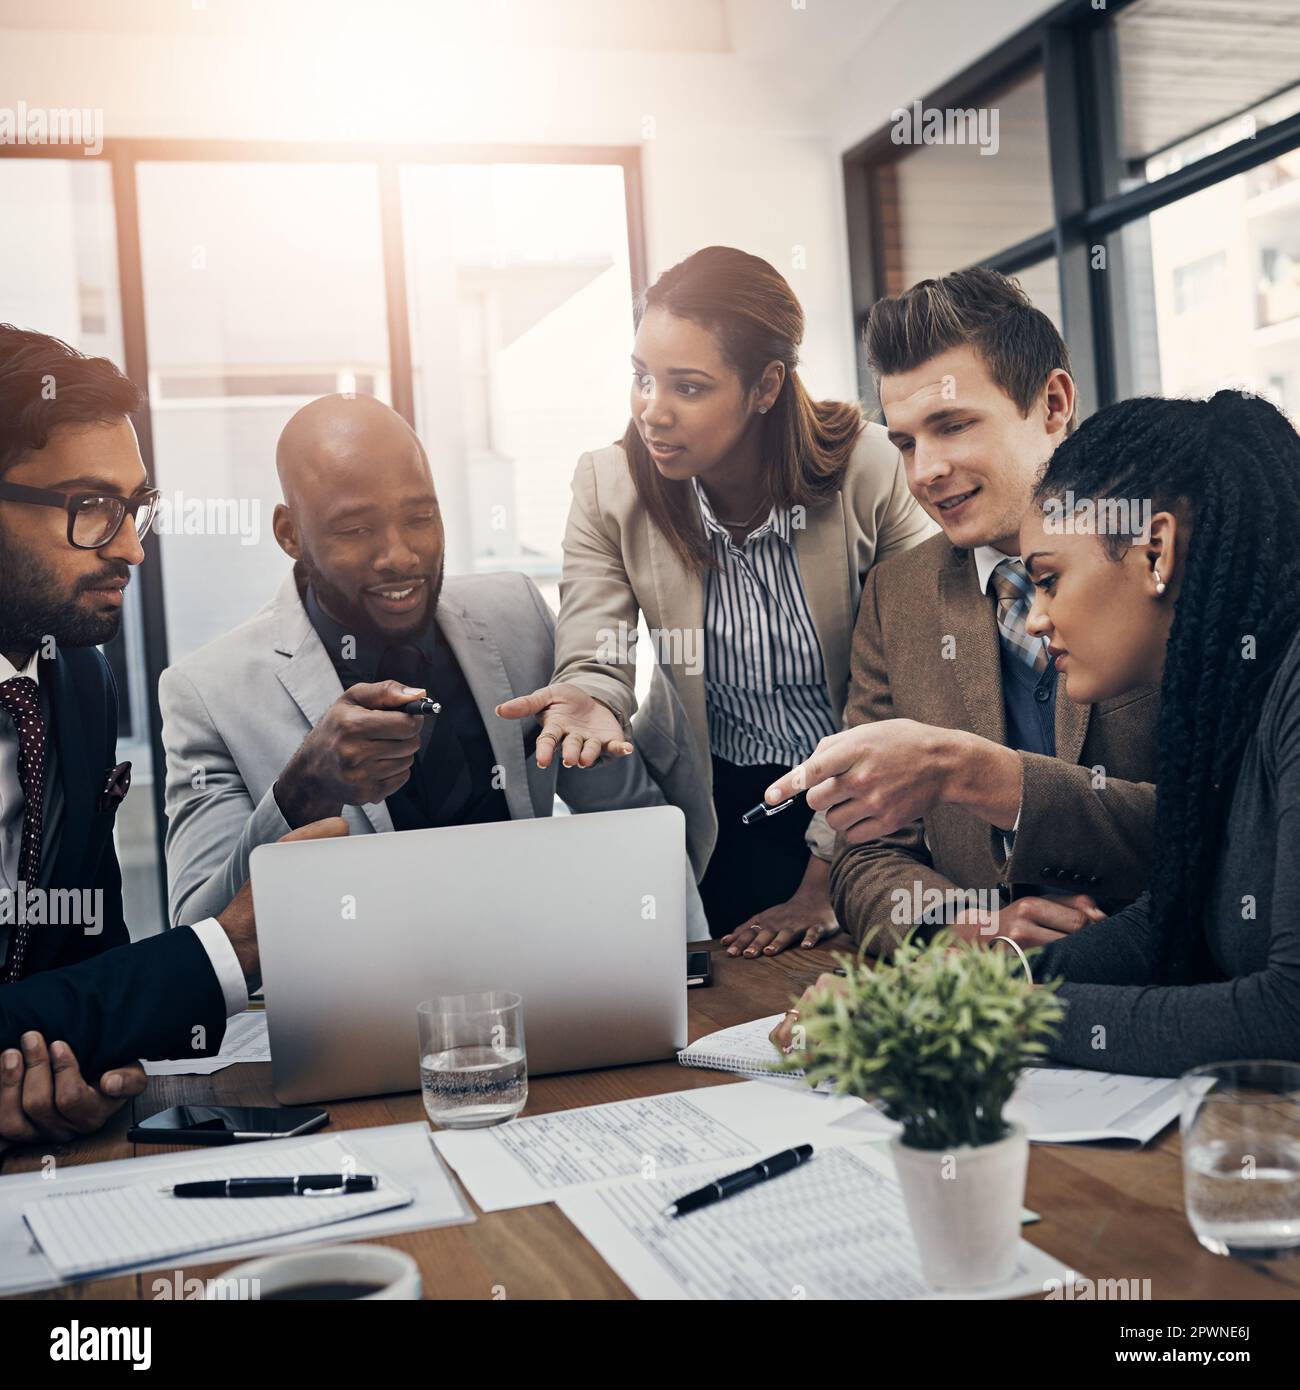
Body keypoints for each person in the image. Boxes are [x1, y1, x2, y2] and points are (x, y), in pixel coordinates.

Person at [778, 389, 1300, 1076]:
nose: (1036, 618)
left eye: (1049, 580)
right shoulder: (1232, 699)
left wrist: (956, 1018)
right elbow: (1164, 921)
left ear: (1155, 553)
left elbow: (1285, 1015)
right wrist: (941, 992)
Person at [497, 246, 936, 953]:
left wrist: (823, 882)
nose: (652, 411)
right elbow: (596, 646)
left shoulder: (874, 469)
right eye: (642, 378)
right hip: (717, 805)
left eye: (688, 388)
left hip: (875, 803)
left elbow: (907, 684)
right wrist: (588, 693)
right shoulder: (611, 487)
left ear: (765, 387)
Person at [161, 393, 703, 935]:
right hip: (354, 1013)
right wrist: (302, 790)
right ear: (289, 534)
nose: (400, 555)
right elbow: (200, 936)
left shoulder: (516, 613)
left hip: (541, 987)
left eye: (420, 517)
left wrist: (688, 973)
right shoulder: (208, 692)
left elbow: (636, 821)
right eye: (355, 529)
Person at [0, 323, 343, 1148]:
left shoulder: (78, 679)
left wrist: (78, 1068)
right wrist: (231, 947)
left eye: (135, 508)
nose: (129, 549)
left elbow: (86, 963)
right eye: (90, 507)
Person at [762, 268, 1157, 961]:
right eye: (907, 442)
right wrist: (952, 925)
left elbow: (1231, 831)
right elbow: (865, 850)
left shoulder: (1159, 553)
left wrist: (978, 775)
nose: (925, 472)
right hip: (987, 1023)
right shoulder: (896, 596)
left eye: (952, 426)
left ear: (1054, 403)